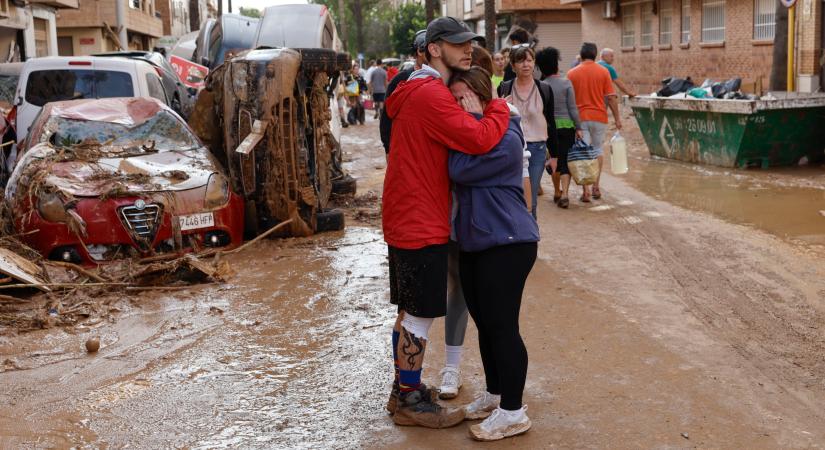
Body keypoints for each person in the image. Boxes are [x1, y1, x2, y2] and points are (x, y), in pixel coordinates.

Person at [383, 16, 511, 429]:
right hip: (421, 217)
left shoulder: (413, 87)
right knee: (419, 315)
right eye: (458, 44)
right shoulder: (431, 94)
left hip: (407, 213)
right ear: (435, 49)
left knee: (409, 311)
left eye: (469, 42)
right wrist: (498, 108)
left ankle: (406, 389)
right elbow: (478, 139)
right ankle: (408, 400)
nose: (467, 49)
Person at [447, 66, 539, 441]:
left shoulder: (508, 137)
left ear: (482, 97)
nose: (457, 105)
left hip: (509, 242)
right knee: (486, 325)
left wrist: (470, 122)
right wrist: (467, 125)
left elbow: (459, 168)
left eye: (463, 98)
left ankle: (514, 412)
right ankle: (495, 396)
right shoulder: (472, 133)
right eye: (452, 99)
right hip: (475, 242)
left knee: (503, 328)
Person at [498, 45, 558, 219]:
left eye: (530, 60)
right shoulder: (505, 88)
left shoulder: (544, 89)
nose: (526, 64)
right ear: (513, 65)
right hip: (512, 147)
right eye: (521, 60)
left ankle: (530, 236)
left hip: (537, 149)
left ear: (534, 63)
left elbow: (551, 122)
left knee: (530, 196)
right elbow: (497, 120)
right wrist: (502, 107)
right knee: (512, 192)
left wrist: (554, 155)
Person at [567, 42, 621, 202]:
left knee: (584, 152)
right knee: (597, 150)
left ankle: (586, 191)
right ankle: (596, 186)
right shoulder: (604, 72)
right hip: (599, 117)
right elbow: (611, 97)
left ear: (581, 55)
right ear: (596, 55)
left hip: (580, 119)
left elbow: (568, 99)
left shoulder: (571, 73)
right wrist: (617, 118)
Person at [535, 46, 582, 209]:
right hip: (567, 126)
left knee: (553, 158)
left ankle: (556, 191)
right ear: (556, 64)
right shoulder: (565, 82)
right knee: (565, 160)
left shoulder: (540, 85)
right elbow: (573, 108)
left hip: (548, 128)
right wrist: (579, 127)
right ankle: (566, 194)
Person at [380, 30, 427, 154]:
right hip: (405, 150)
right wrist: (388, 149)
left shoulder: (444, 77)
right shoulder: (400, 80)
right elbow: (387, 117)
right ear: (419, 51)